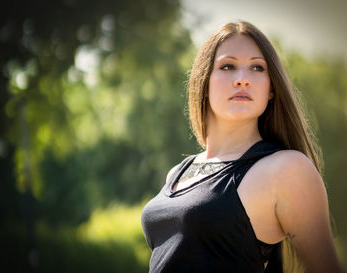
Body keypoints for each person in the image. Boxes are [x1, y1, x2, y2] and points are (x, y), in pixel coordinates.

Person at [141, 21, 343, 273]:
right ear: (204, 82)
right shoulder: (178, 173)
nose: (243, 80)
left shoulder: (287, 169)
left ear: (271, 89)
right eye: (228, 66)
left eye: (257, 68)